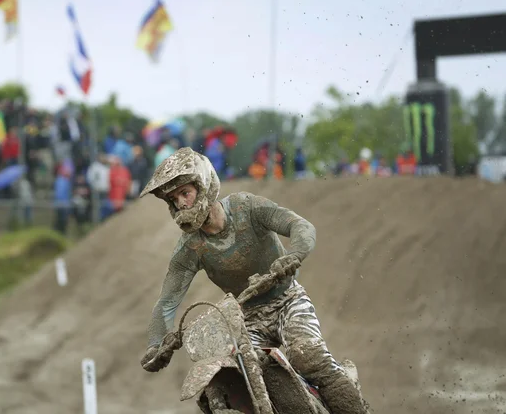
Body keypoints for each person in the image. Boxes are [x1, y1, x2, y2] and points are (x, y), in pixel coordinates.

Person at [138, 147, 370, 414]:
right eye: (173, 199)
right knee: (234, 380)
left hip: (287, 300)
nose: (180, 203)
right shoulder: (190, 248)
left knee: (308, 357)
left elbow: (300, 226)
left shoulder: (246, 208)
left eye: (184, 193)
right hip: (246, 319)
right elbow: (166, 303)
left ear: (203, 186)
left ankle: (347, 395)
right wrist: (157, 344)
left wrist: (294, 254)